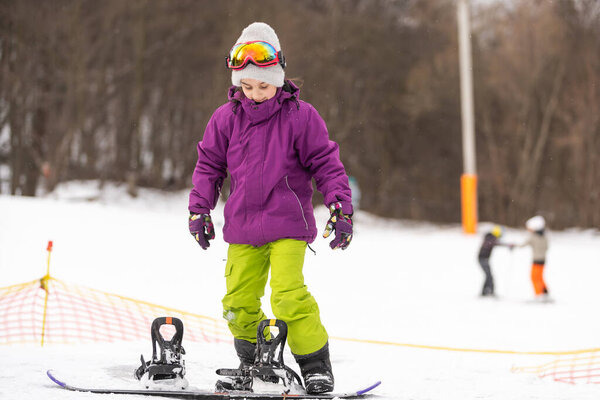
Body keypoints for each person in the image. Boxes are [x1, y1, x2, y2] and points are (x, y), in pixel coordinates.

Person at [187, 22, 353, 394]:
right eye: (246, 86)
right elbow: (209, 166)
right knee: (238, 300)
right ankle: (255, 359)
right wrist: (200, 209)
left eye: (263, 85)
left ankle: (314, 364)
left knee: (287, 294)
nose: (255, 94)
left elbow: (326, 163)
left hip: (288, 225)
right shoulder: (226, 118)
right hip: (243, 226)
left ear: (279, 77)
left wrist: (340, 208)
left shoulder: (300, 116)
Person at [512, 215, 550, 301]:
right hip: (543, 260)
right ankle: (545, 292)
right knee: (540, 277)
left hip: (536, 260)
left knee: (534, 277)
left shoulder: (533, 237)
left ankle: (538, 294)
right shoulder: (544, 236)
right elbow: (547, 247)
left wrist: (514, 245)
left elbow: (522, 245)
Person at [477, 225, 510, 297]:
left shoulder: (490, 237)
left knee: (488, 275)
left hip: (484, 259)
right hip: (483, 259)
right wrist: (507, 245)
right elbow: (495, 243)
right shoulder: (490, 238)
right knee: (489, 275)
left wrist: (508, 245)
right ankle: (488, 291)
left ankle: (486, 291)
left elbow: (496, 243)